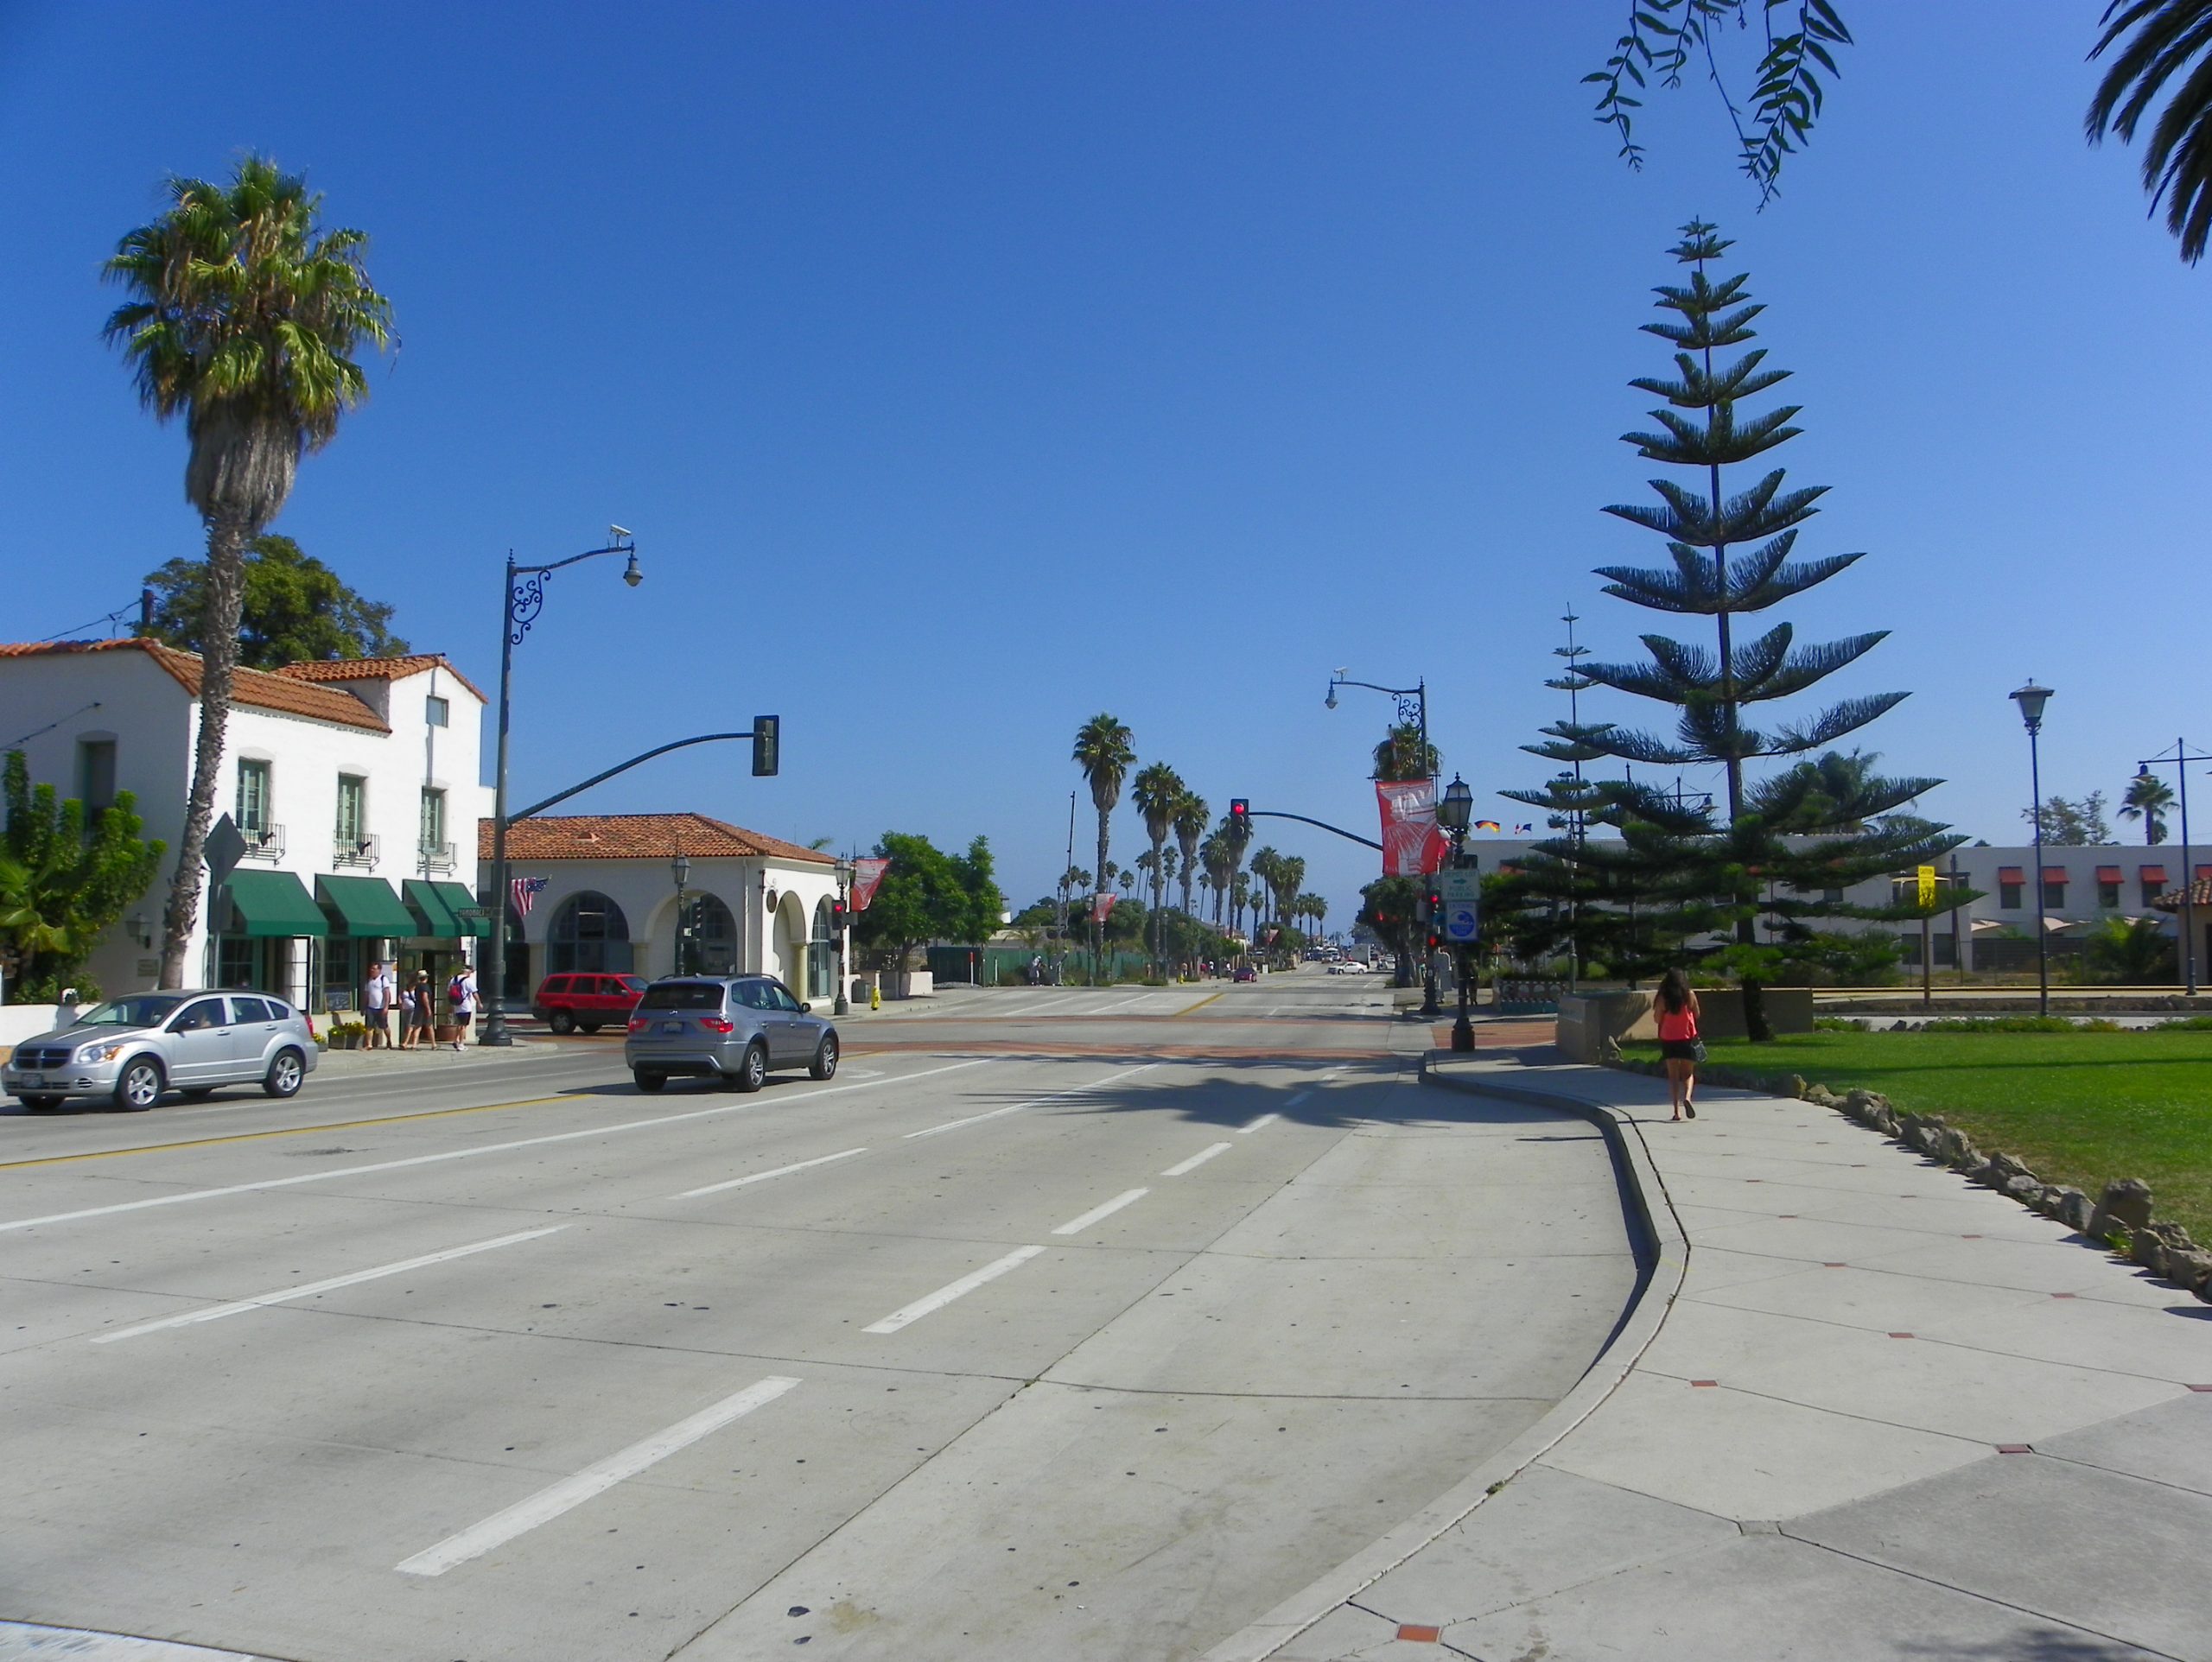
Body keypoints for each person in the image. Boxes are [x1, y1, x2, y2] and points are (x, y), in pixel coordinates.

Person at [1654, 967, 1702, 1122]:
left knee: (1673, 1076)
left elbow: (1657, 1019)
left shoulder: (1663, 998)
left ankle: (1676, 1111)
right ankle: (1687, 1098)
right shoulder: (1689, 995)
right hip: (1687, 1038)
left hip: (1669, 1039)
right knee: (1688, 1073)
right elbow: (1697, 1014)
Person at [363, 960, 395, 1049]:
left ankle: (389, 1040)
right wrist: (364, 1007)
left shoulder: (383, 979)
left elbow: (387, 994)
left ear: (379, 970)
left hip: (381, 1008)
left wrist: (386, 1007)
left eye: (374, 969)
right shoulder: (369, 981)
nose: (372, 970)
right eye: (371, 969)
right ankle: (369, 1044)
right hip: (371, 1007)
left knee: (384, 1026)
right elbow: (366, 995)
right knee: (369, 1026)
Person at [448, 963, 478, 1050]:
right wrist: (479, 1003)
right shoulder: (468, 981)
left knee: (459, 1024)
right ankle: (461, 1044)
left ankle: (456, 1040)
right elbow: (474, 993)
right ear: (469, 972)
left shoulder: (454, 979)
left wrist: (451, 1004)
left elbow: (449, 991)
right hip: (465, 1006)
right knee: (463, 1026)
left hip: (456, 1004)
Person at [404, 970, 435, 1050]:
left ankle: (414, 1045)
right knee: (429, 1026)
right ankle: (433, 1044)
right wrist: (428, 1008)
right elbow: (425, 997)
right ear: (426, 978)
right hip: (424, 1008)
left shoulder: (417, 986)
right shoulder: (425, 986)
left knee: (418, 1027)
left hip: (418, 1008)